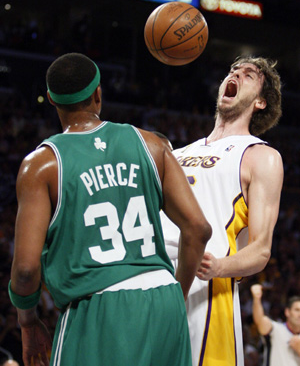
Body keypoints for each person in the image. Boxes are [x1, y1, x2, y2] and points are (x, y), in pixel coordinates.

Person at [8, 53, 212, 366]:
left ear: (51, 99)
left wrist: (27, 322)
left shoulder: (41, 165)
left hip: (98, 306)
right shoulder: (152, 144)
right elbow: (198, 228)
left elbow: (25, 270)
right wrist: (176, 293)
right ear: (98, 93)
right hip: (163, 298)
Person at [160, 56, 284, 366]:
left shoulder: (261, 156)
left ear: (260, 102)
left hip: (206, 284)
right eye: (233, 71)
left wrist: (219, 267)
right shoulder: (177, 153)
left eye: (249, 75)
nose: (236, 75)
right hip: (153, 278)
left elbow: (260, 250)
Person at [251, 284, 300, 365]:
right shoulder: (276, 329)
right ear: (287, 312)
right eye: (297, 310)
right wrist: (256, 299)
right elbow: (260, 320)